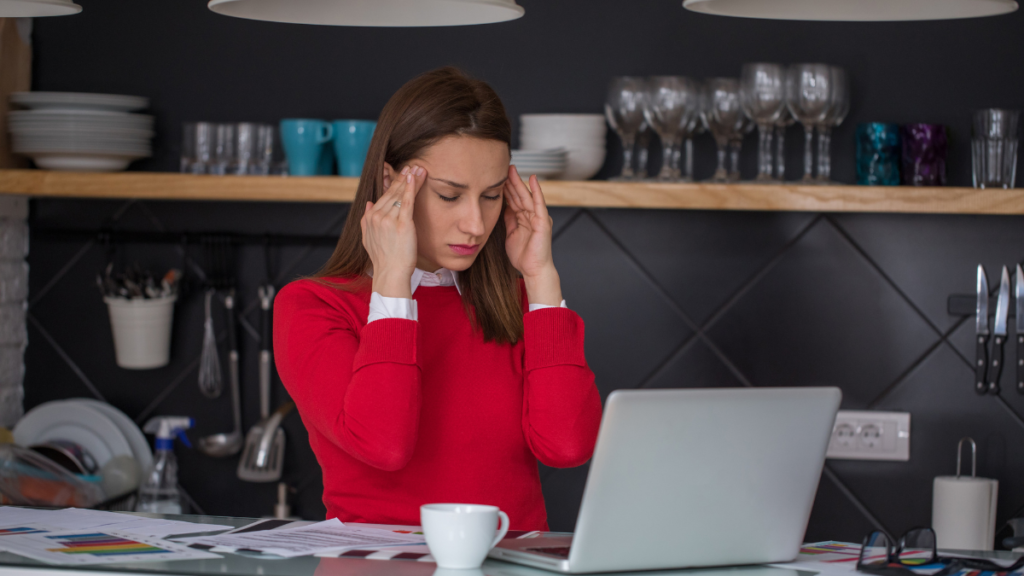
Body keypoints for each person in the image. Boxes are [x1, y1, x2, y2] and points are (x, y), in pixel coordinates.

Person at [273, 67, 602, 531]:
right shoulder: (312, 306)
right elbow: (384, 445)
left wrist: (540, 277)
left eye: (491, 196)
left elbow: (566, 446)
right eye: (450, 196)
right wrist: (392, 279)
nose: (475, 223)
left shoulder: (518, 302)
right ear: (391, 182)